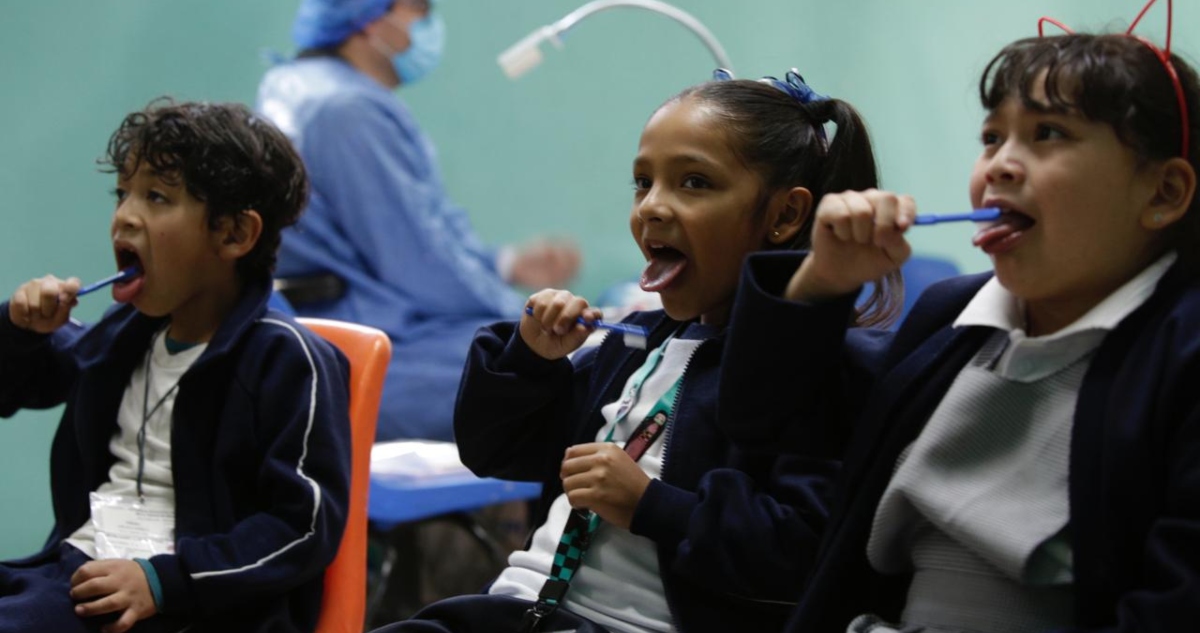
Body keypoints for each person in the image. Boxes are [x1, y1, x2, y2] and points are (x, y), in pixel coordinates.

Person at [370, 69, 898, 633]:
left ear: (784, 216)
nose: (651, 207)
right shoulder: (637, 341)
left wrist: (651, 505)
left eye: (694, 183)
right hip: (515, 609)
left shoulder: (822, 369)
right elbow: (495, 452)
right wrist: (529, 360)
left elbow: (801, 558)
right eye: (643, 183)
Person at [719, 14, 1200, 632]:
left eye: (1048, 133)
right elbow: (761, 418)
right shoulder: (950, 316)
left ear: (1163, 193)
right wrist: (823, 282)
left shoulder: (1182, 353)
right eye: (992, 138)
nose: (999, 165)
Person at [0, 100, 352, 633]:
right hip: (79, 573)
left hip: (192, 604)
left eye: (157, 197)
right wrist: (21, 330)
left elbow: (302, 526)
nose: (125, 215)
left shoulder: (287, 360)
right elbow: (23, 381)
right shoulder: (125, 336)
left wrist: (168, 581)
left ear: (234, 235)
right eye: (123, 193)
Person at [256, 0, 581, 441]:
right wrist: (530, 320)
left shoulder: (296, 85)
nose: (429, 24)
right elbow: (419, 262)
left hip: (338, 325)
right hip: (379, 347)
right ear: (370, 22)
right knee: (574, 373)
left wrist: (504, 265)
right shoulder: (348, 111)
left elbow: (414, 232)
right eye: (418, 10)